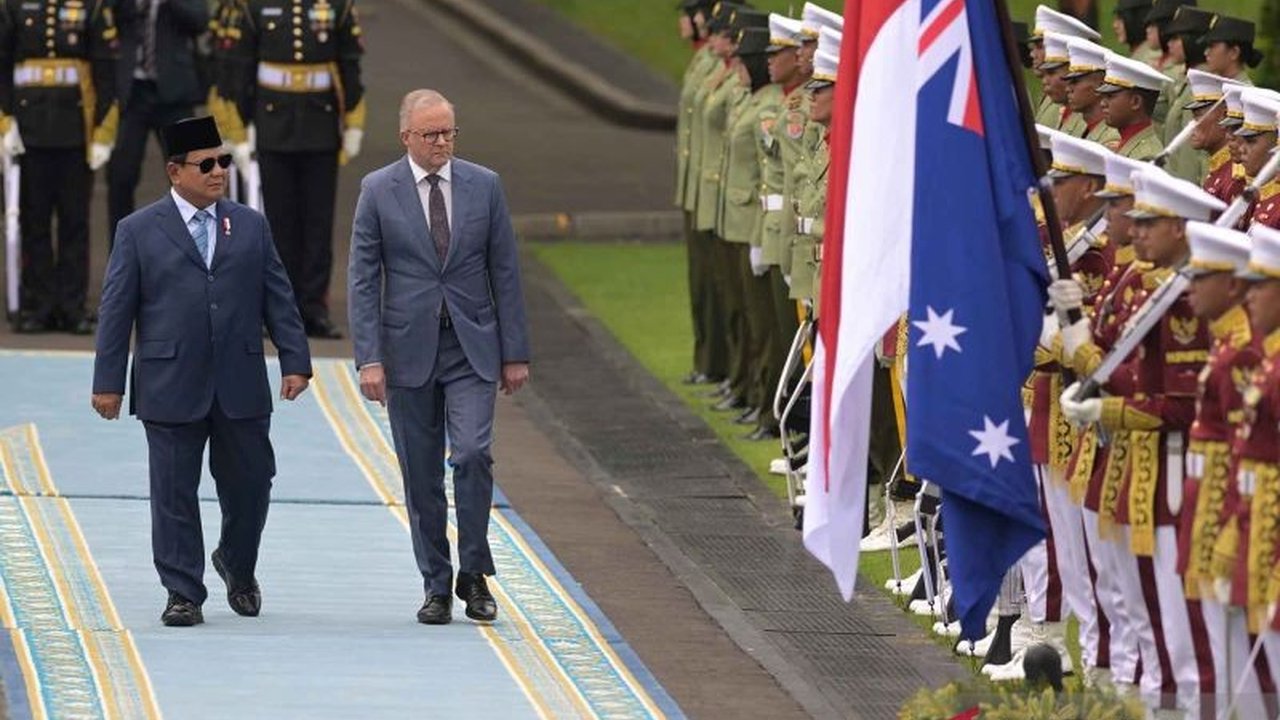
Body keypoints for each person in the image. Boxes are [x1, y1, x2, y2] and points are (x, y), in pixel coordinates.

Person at [91, 116, 311, 626]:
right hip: (169, 381)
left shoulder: (251, 225)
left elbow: (278, 295)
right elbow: (116, 309)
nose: (218, 172)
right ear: (175, 171)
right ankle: (182, 591)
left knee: (252, 484)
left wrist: (295, 360)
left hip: (240, 379)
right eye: (206, 164)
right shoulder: (137, 230)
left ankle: (237, 562)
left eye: (223, 161)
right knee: (173, 492)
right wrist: (108, 382)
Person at [348, 89, 530, 625]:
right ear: (405, 136)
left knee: (472, 454)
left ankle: (473, 573)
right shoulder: (377, 190)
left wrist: (515, 353)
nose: (442, 143)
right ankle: (436, 583)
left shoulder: (484, 185)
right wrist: (368, 358)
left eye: (449, 132)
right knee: (421, 473)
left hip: (472, 345)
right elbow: (363, 279)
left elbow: (505, 271)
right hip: (407, 350)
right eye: (431, 134)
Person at [221, 0, 366, 339]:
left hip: (321, 124)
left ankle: (314, 309)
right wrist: (240, 129)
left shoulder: (337, 6)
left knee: (318, 224)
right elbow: (240, 67)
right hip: (273, 124)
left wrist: (354, 121)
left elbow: (350, 64)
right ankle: (279, 309)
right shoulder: (256, 6)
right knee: (280, 224)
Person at [0, 0, 119, 334]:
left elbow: (105, 69)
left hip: (75, 131)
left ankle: (72, 306)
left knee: (74, 223)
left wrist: (103, 131)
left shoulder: (91, 7)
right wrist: (5, 121)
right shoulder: (13, 7)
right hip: (29, 130)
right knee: (33, 222)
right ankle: (38, 304)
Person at [107, 0, 208, 246]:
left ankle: (199, 249)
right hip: (132, 92)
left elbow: (200, 21)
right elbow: (107, 16)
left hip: (177, 92)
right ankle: (122, 251)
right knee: (120, 175)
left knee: (194, 176)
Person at [1096, 52, 1169, 159]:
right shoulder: (1126, 143)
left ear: (1135, 102)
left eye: (1110, 96)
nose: (1102, 103)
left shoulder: (1146, 156)